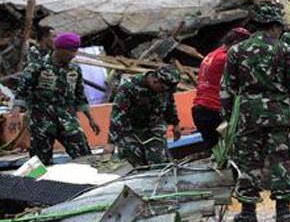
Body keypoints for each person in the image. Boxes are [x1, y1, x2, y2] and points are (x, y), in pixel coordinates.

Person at [220, 5, 290, 222]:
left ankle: (248, 212)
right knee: (281, 161)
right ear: (274, 27)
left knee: (249, 161)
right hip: (279, 113)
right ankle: (283, 212)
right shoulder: (286, 51)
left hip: (248, 114)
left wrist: (229, 118)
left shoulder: (237, 51)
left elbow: (227, 88)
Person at [10, 32, 100, 165]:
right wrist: (15, 115)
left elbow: (80, 96)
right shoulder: (36, 67)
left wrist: (91, 119)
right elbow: (22, 92)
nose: (73, 54)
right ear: (58, 49)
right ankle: (35, 185)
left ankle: (92, 182)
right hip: (42, 121)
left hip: (68, 120)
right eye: (70, 51)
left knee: (84, 155)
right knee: (39, 163)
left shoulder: (74, 69)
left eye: (75, 50)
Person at [192, 28, 252, 149]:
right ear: (236, 43)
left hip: (201, 109)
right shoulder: (226, 58)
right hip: (215, 111)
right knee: (233, 149)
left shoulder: (212, 54)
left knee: (216, 152)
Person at [110, 66, 181, 167]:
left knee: (158, 161)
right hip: (130, 127)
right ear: (155, 81)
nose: (164, 92)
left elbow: (170, 105)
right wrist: (111, 142)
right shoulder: (129, 87)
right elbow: (116, 115)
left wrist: (175, 124)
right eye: (162, 89)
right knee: (134, 162)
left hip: (154, 124)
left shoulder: (165, 88)